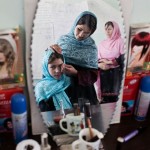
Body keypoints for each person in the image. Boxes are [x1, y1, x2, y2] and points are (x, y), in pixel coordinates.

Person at [56, 11, 99, 105]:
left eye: (87, 32)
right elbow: (51, 64)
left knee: (85, 118)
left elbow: (93, 76)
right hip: (63, 90)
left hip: (83, 93)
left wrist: (76, 73)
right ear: (75, 25)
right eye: (79, 29)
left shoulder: (92, 47)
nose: (81, 35)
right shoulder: (62, 41)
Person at [34, 47, 72, 112]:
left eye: (60, 66)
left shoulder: (68, 82)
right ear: (45, 67)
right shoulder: (41, 88)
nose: (57, 71)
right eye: (52, 67)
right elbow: (44, 113)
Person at [95, 21, 125, 103]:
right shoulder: (101, 43)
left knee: (116, 99)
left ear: (115, 29)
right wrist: (101, 63)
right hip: (104, 74)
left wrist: (110, 62)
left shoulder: (120, 41)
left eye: (109, 29)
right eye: (105, 29)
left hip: (116, 74)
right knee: (105, 100)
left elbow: (123, 58)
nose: (107, 32)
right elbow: (97, 59)